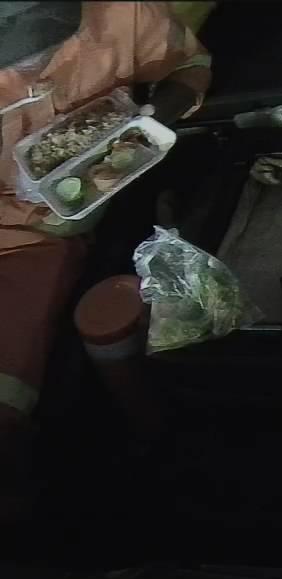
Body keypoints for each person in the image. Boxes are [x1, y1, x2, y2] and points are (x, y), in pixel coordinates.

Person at [0, 2, 211, 520]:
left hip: (36, 237)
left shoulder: (120, 13)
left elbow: (189, 68)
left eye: (44, 48)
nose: (30, 71)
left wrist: (144, 124)